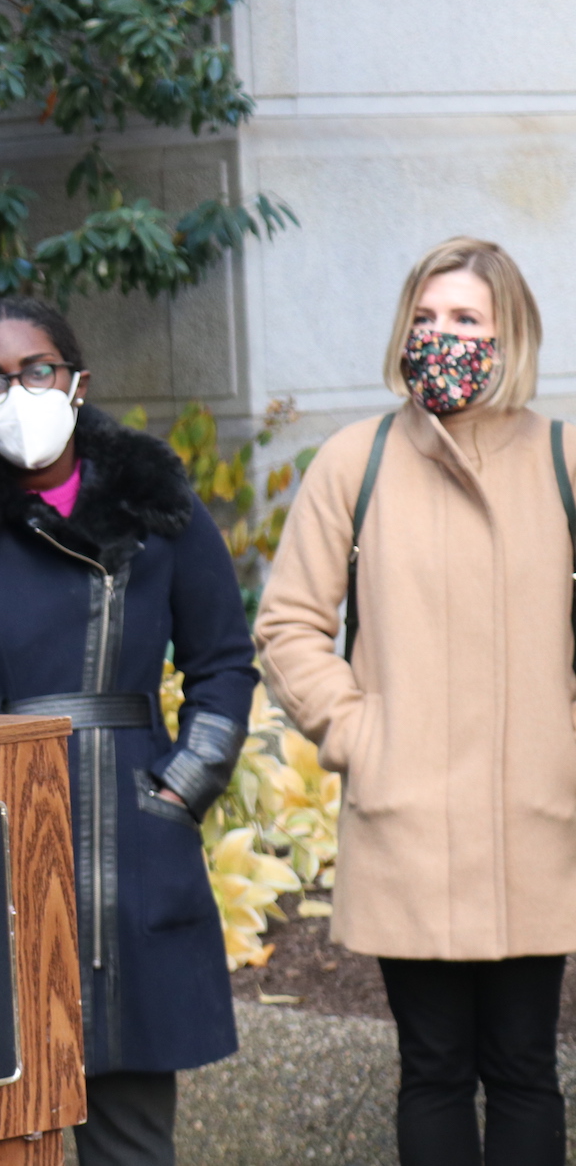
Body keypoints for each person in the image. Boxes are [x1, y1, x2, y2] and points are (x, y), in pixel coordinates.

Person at [0, 297, 254, 1166]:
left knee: (132, 1128)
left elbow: (224, 659)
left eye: (36, 369)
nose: (16, 391)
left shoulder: (155, 502)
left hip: (130, 839)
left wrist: (183, 785)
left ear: (76, 381)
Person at [257, 237, 574, 1166]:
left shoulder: (560, 458)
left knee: (523, 1065)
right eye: (426, 319)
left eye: (467, 319)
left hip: (532, 813)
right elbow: (289, 627)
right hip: (409, 814)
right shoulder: (354, 462)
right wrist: (364, 732)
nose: (443, 336)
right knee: (431, 1067)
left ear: (508, 333)